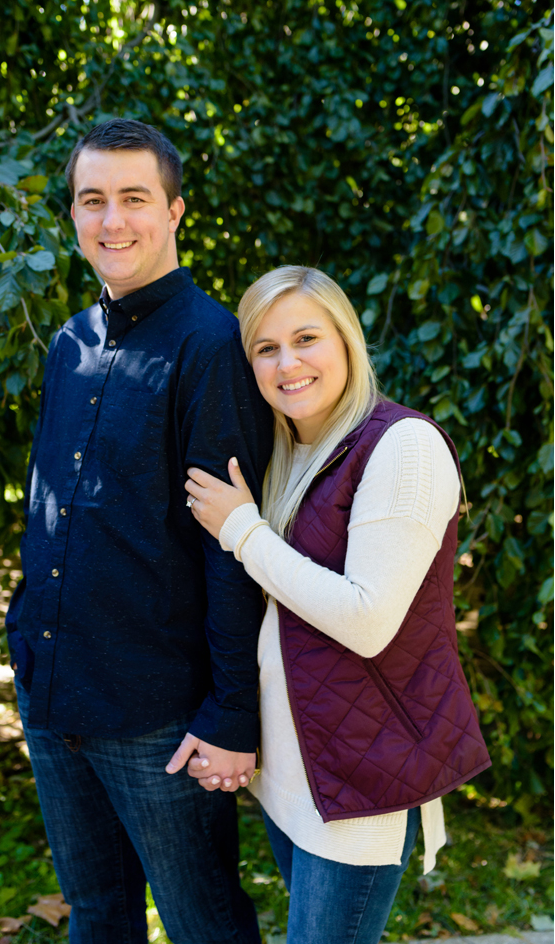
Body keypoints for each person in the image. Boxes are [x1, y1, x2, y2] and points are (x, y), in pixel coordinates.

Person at [5, 118, 271, 944]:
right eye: (93, 201)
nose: (112, 221)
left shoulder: (212, 344)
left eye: (133, 199)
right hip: (51, 690)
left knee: (205, 925)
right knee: (98, 915)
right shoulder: (69, 344)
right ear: (74, 215)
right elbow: (49, 505)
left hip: (159, 714)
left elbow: (232, 549)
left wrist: (234, 711)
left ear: (175, 211)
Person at [183, 266, 489, 944]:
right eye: (265, 347)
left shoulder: (404, 446)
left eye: (306, 338)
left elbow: (367, 619)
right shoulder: (287, 449)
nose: (288, 362)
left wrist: (242, 530)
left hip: (359, 781)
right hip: (293, 774)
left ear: (346, 340)